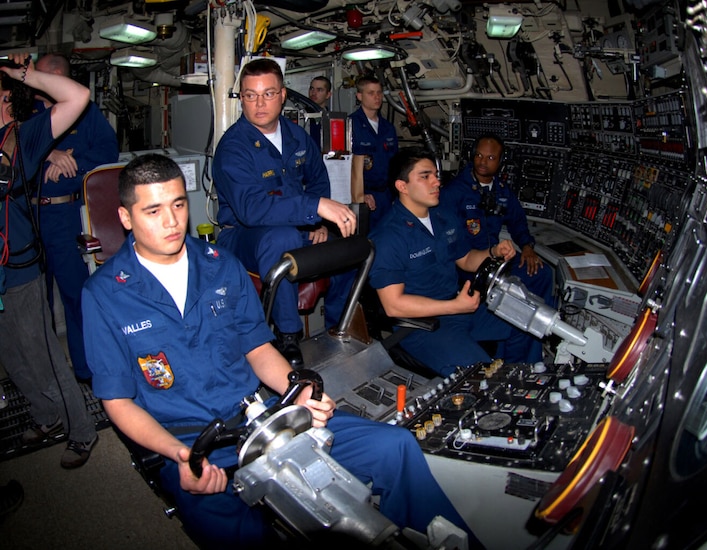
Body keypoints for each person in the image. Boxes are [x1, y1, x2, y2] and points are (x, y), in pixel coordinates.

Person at [81, 153, 477, 549]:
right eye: (153, 210)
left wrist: (300, 391)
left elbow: (257, 347)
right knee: (248, 535)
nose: (171, 222)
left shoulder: (221, 265)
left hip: (261, 415)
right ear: (126, 217)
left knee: (396, 448)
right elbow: (118, 401)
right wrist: (182, 456)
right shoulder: (105, 294)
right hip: (190, 443)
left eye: (179, 205)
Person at [212, 58, 356, 367]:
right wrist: (314, 208)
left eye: (268, 93)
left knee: (349, 243)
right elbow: (252, 211)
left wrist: (317, 222)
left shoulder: (296, 136)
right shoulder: (233, 148)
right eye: (250, 95)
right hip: (241, 236)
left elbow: (318, 178)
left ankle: (338, 326)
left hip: (297, 225)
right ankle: (288, 336)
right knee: (280, 238)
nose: (259, 103)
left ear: (283, 96)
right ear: (242, 99)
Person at [0, 53, 99, 469]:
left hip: (19, 265)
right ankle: (44, 416)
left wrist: (22, 73)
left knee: (43, 352)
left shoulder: (23, 137)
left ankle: (81, 430)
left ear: (6, 97)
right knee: (12, 357)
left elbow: (77, 96)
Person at [369, 146, 541, 377]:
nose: (436, 183)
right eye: (425, 176)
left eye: (436, 176)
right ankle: (496, 382)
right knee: (482, 376)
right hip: (422, 326)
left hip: (459, 308)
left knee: (527, 322)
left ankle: (518, 378)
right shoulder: (388, 236)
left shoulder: (443, 217)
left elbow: (466, 259)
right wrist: (455, 307)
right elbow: (394, 305)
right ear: (403, 187)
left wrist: (493, 251)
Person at [33, 52, 119, 381]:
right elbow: (11, 154)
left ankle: (85, 371)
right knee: (31, 302)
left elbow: (107, 151)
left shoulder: (85, 113)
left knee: (77, 295)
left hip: (67, 214)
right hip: (29, 217)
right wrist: (47, 156)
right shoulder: (22, 111)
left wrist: (72, 161)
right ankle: (45, 375)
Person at [440, 133, 556, 360]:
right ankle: (514, 356)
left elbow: (518, 223)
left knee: (542, 274)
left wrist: (528, 247)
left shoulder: (502, 192)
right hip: (467, 265)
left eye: (491, 157)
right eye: (479, 156)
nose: (483, 162)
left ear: (500, 162)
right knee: (513, 295)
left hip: (498, 258)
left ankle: (535, 343)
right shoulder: (454, 192)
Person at [349, 74, 398, 231]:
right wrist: (359, 194)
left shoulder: (388, 128)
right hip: (363, 195)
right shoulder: (350, 125)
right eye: (371, 93)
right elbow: (344, 167)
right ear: (359, 96)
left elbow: (394, 164)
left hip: (386, 194)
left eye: (379, 93)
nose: (377, 97)